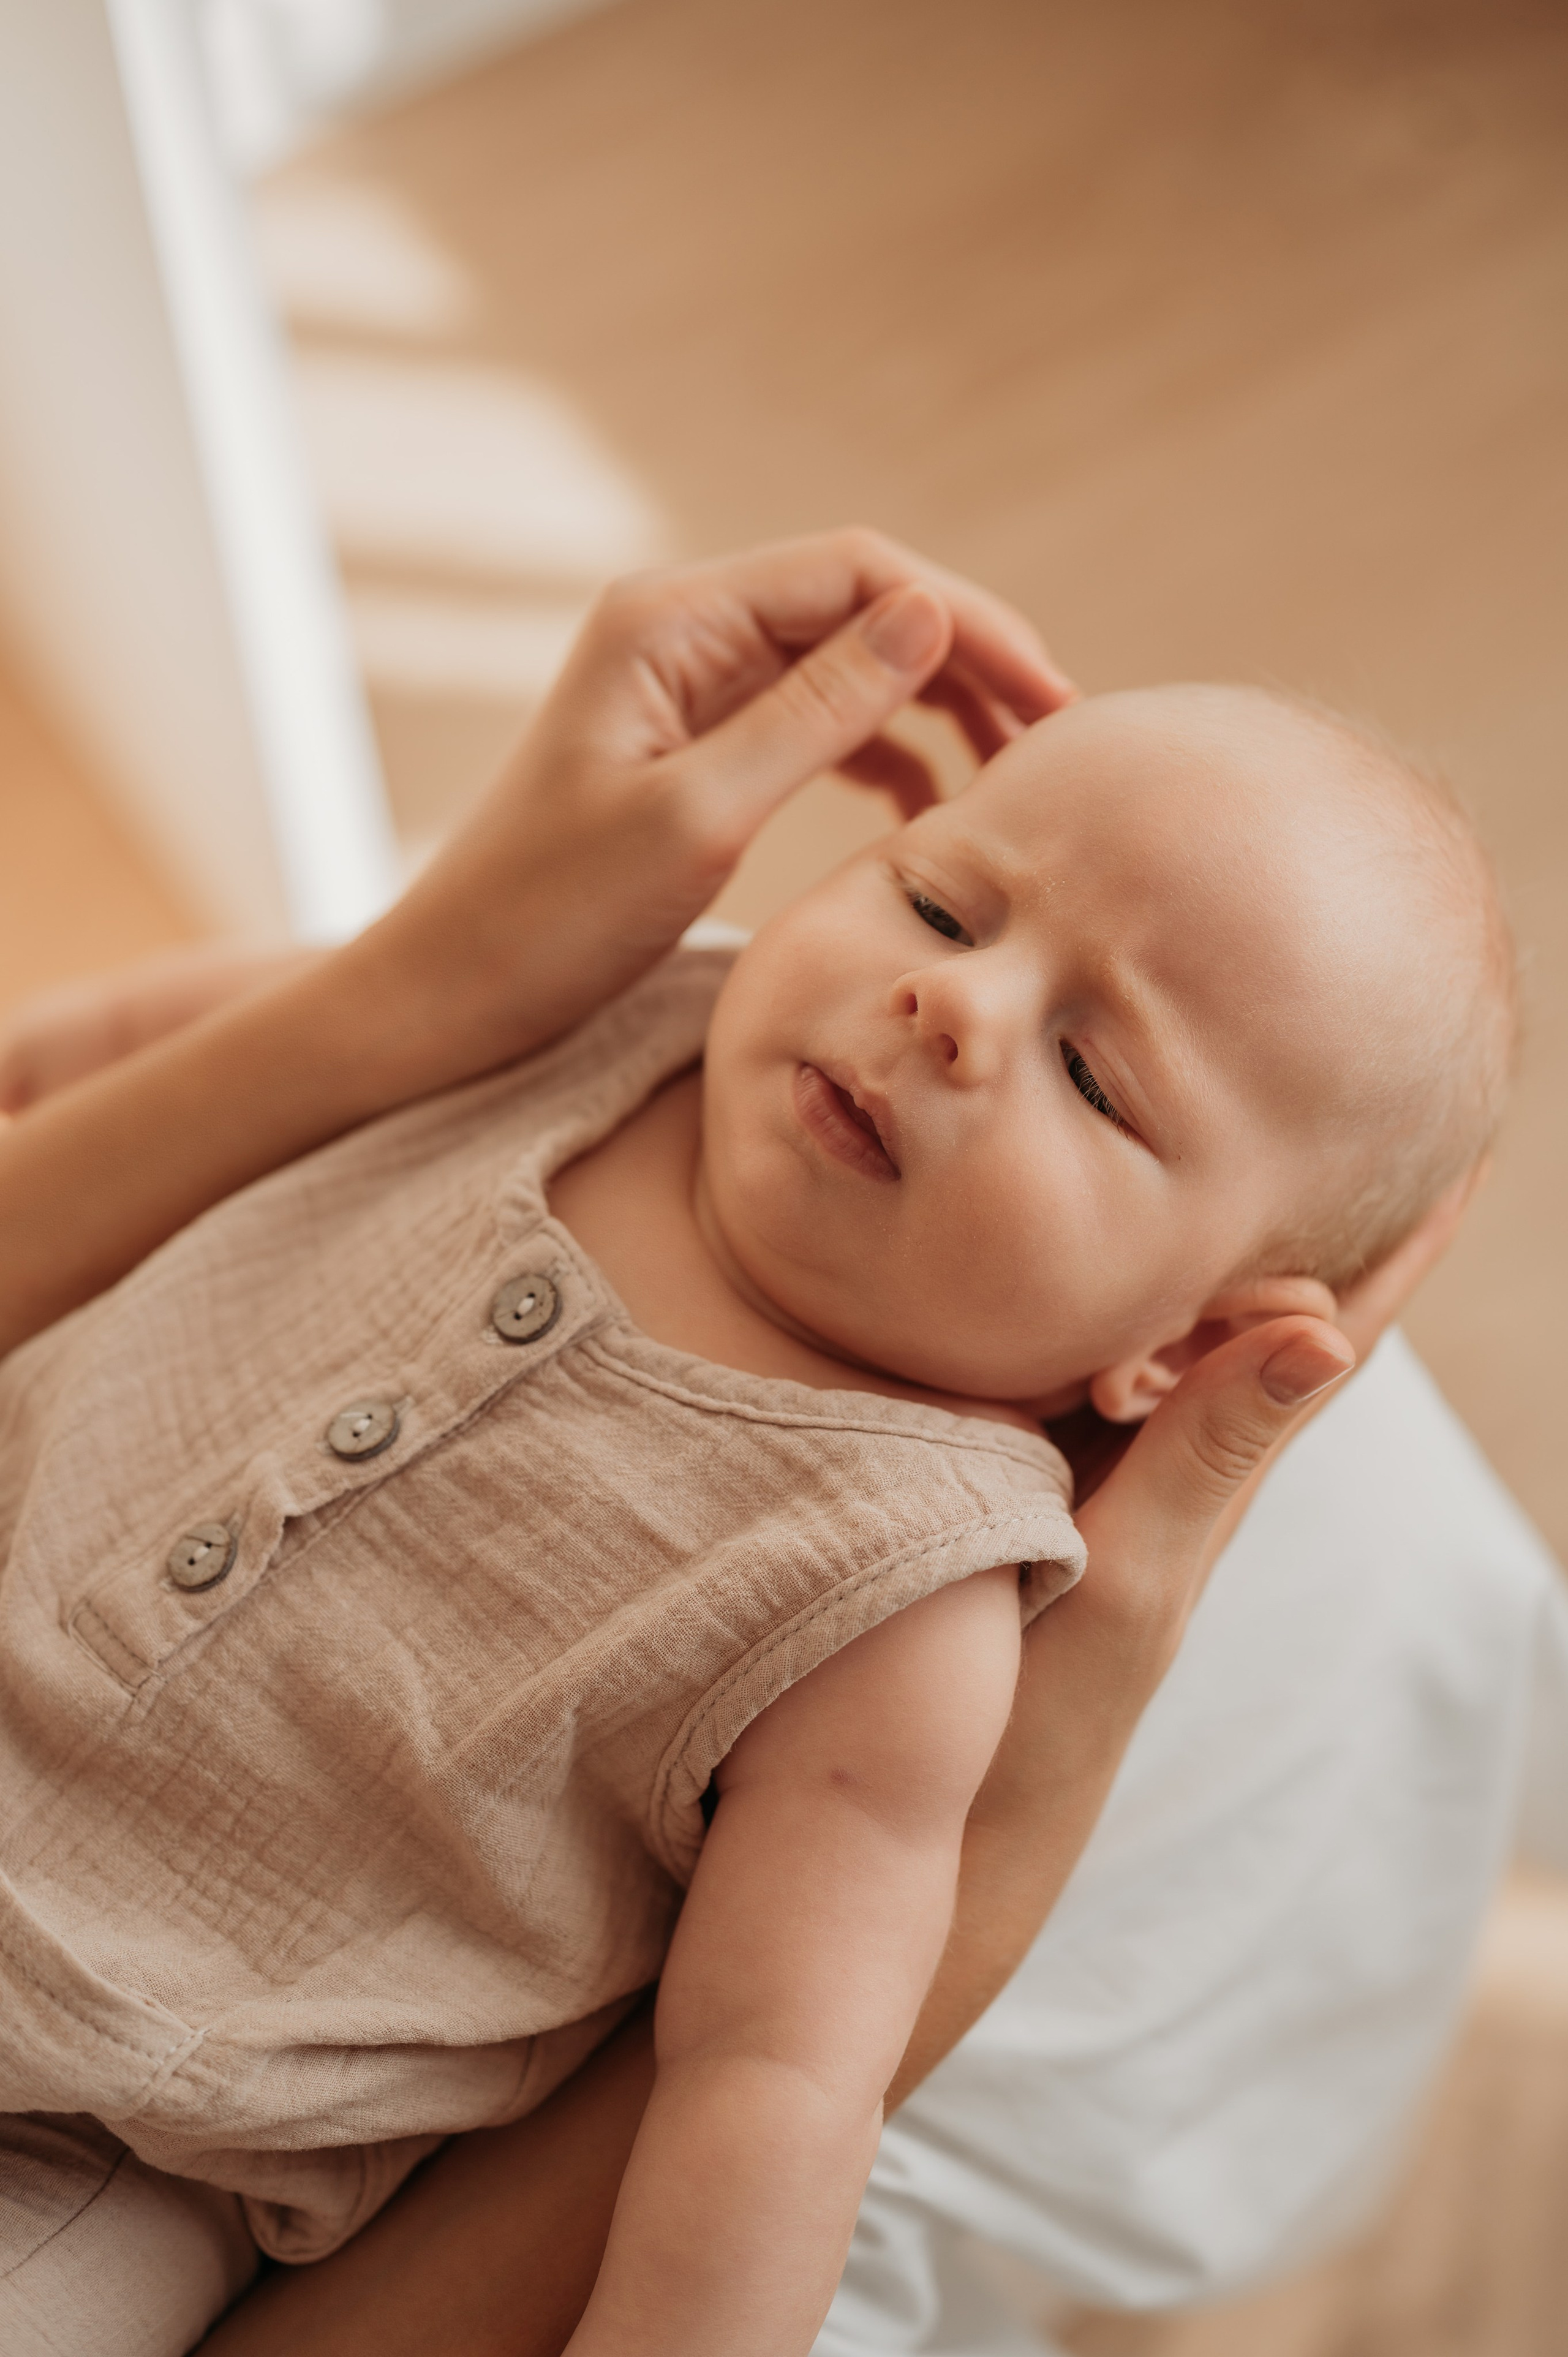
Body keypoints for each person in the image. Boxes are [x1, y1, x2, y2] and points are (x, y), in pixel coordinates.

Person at [0, 534, 1477, 2357]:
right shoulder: (620, 1016)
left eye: (1100, 1079)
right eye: (944, 906)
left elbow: (769, 2090)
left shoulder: (910, 1600)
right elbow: (145, 1042)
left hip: (101, 2138)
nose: (957, 1004)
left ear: (1179, 1349)